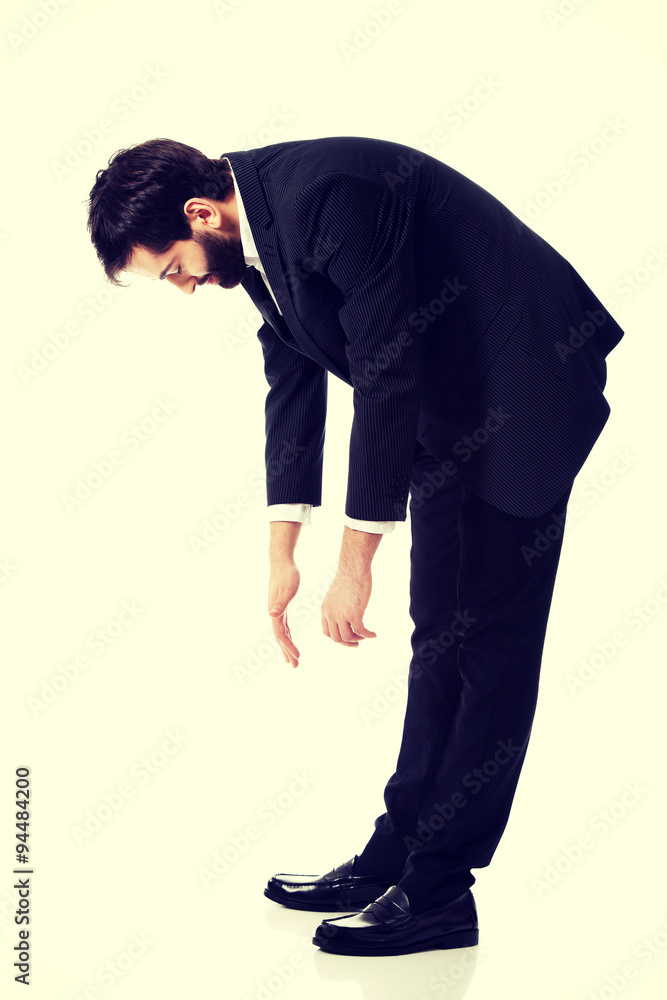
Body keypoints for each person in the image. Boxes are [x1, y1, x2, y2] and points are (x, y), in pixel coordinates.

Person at [86, 135, 624, 956]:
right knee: (438, 640)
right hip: (451, 404)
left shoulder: (328, 196)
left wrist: (352, 566)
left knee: (489, 648)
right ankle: (395, 857)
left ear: (199, 214)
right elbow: (292, 378)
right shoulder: (252, 234)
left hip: (526, 386)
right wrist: (282, 552)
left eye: (172, 270)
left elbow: (384, 373)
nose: (185, 287)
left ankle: (439, 892)